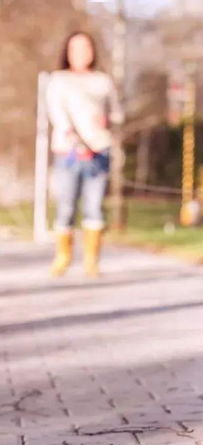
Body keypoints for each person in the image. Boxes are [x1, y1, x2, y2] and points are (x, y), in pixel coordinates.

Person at [47, 31, 123, 277]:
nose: (81, 53)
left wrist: (108, 119)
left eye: (86, 47)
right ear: (67, 52)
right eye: (75, 48)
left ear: (93, 51)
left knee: (94, 207)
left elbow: (117, 112)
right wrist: (76, 141)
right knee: (66, 206)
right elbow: (57, 114)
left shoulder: (102, 80)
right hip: (68, 152)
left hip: (99, 151)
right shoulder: (58, 80)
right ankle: (63, 257)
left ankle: (91, 261)